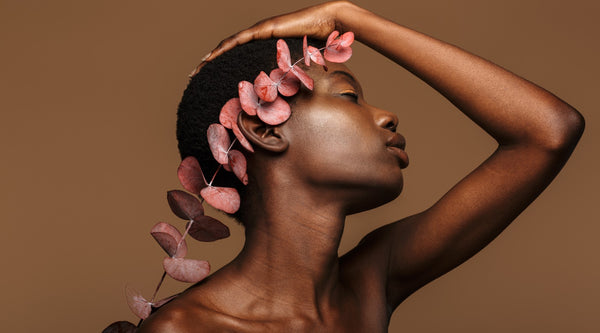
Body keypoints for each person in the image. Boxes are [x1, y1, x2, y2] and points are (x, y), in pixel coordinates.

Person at [138, 1, 584, 332]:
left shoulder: (369, 284)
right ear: (264, 128)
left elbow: (549, 131)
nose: (387, 116)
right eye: (349, 95)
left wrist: (352, 20)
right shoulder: (189, 328)